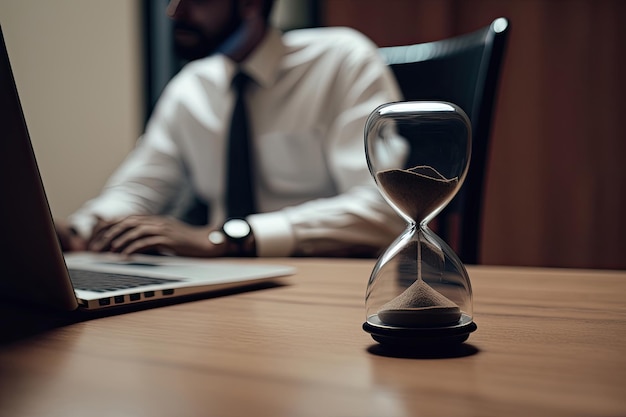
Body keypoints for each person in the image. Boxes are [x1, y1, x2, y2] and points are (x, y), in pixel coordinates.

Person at [56, 0, 406, 258]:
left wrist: (229, 238)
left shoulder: (342, 61)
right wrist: (75, 232)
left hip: (328, 280)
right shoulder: (190, 89)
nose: (174, 13)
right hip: (223, 281)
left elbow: (382, 208)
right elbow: (139, 190)